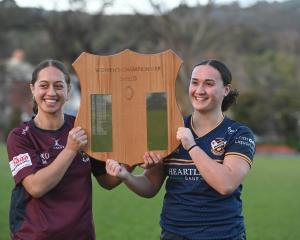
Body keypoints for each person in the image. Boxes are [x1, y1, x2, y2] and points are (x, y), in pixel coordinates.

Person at [106, 59, 256, 240]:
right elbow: (151, 186)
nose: (199, 90)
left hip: (223, 234)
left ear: (226, 89)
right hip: (174, 233)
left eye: (209, 84)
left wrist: (191, 146)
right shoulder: (169, 128)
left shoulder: (239, 134)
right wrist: (126, 176)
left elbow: (226, 184)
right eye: (195, 82)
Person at [6, 59, 122, 240]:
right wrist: (70, 150)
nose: (51, 92)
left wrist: (135, 159)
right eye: (44, 85)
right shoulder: (20, 136)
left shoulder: (85, 128)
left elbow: (107, 180)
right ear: (33, 89)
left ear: (68, 91)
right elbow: (36, 187)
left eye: (59, 86)